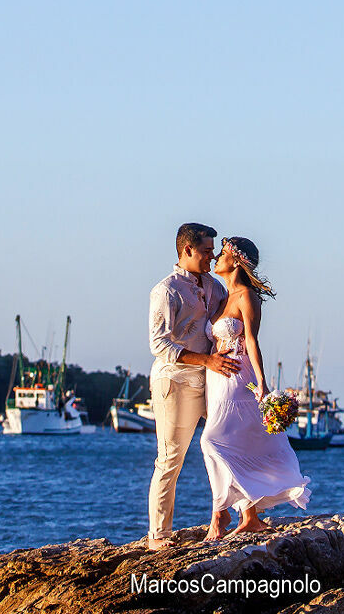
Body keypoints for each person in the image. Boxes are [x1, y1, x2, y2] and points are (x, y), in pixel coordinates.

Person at [200, 236, 310, 539]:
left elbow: (251, 340)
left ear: (236, 260)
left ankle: (220, 515)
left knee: (211, 442)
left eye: (221, 254)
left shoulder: (246, 296)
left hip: (238, 377)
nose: (216, 259)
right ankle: (248, 516)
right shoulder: (221, 296)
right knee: (237, 444)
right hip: (216, 380)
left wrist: (262, 383)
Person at [146, 222, 236, 549]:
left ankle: (239, 515)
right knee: (171, 458)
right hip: (174, 383)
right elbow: (159, 345)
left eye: (214, 251)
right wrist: (206, 360)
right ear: (188, 250)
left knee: (227, 443)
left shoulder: (215, 287)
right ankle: (158, 536)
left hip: (212, 381)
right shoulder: (166, 291)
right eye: (207, 251)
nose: (212, 257)